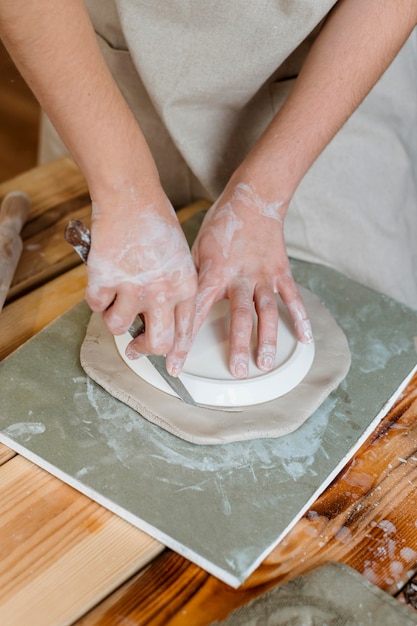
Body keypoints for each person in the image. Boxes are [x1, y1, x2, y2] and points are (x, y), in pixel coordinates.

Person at [1, 1, 416, 379]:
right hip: (107, 72)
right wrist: (123, 188)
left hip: (330, 64)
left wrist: (263, 196)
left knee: (378, 354)